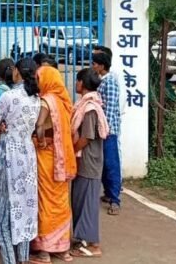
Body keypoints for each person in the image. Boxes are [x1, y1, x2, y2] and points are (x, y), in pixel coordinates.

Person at [0, 58, 40, 264]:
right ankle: (23, 259)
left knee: (1, 220)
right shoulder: (36, 98)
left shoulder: (8, 96)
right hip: (27, 156)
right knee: (23, 211)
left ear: (16, 71)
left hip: (8, 157)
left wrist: (2, 128)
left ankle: (9, 260)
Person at [30, 66, 77, 263]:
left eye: (38, 78)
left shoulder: (46, 100)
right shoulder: (64, 101)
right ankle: (63, 249)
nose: (36, 82)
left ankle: (44, 251)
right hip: (62, 156)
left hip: (47, 155)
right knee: (61, 201)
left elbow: (39, 125)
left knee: (45, 200)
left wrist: (40, 140)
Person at [70, 68, 109, 259]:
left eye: (77, 80)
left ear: (83, 83)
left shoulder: (90, 108)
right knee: (80, 200)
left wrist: (70, 150)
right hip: (85, 161)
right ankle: (83, 239)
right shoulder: (84, 105)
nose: (75, 84)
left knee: (87, 203)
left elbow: (86, 137)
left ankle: (92, 245)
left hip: (88, 161)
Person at [92, 49, 124, 215]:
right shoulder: (102, 80)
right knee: (103, 164)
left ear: (102, 66)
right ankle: (109, 193)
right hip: (102, 129)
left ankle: (115, 200)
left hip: (108, 131)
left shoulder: (109, 82)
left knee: (111, 164)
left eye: (94, 64)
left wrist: (105, 130)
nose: (92, 66)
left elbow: (110, 108)